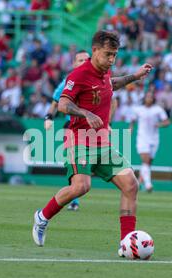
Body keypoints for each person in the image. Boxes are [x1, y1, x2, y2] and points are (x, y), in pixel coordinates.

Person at [32, 30, 153, 258]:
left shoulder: (105, 72)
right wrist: (85, 113)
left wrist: (135, 77)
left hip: (103, 142)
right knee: (81, 187)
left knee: (131, 185)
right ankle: (42, 216)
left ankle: (126, 243)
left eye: (114, 55)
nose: (111, 60)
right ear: (95, 50)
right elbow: (63, 105)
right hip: (80, 140)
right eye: (108, 54)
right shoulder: (78, 75)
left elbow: (112, 84)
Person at [43, 49, 90, 211]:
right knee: (74, 163)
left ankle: (74, 193)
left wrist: (107, 122)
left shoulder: (97, 79)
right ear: (74, 64)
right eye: (80, 60)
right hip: (72, 127)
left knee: (88, 165)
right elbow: (56, 102)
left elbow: (110, 102)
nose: (84, 63)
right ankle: (74, 199)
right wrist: (49, 118)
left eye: (87, 60)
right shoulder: (68, 81)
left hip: (91, 128)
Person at [130, 92, 170, 192]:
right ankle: (148, 185)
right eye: (147, 97)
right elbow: (132, 121)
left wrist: (159, 125)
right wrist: (130, 129)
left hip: (154, 139)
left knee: (148, 163)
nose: (149, 99)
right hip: (142, 138)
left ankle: (138, 182)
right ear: (144, 98)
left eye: (151, 97)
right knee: (145, 160)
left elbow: (166, 122)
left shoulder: (158, 109)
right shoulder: (138, 109)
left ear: (153, 99)